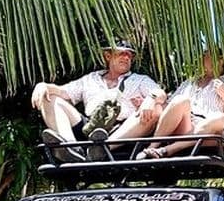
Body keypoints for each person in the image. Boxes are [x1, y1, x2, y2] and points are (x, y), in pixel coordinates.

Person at [31, 40, 167, 162]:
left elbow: (161, 94)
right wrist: (43, 86)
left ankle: (102, 149)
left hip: (123, 133)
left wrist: (151, 99)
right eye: (122, 53)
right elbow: (63, 91)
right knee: (49, 97)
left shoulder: (140, 80)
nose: (126, 58)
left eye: (129, 55)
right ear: (108, 56)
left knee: (156, 108)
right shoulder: (91, 78)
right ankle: (71, 147)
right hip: (90, 129)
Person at [137, 49, 224, 159]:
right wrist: (148, 103)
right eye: (203, 54)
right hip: (185, 126)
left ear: (221, 60)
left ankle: (166, 150)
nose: (203, 57)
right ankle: (152, 147)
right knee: (181, 100)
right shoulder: (189, 83)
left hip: (211, 133)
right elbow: (169, 107)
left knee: (219, 117)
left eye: (207, 54)